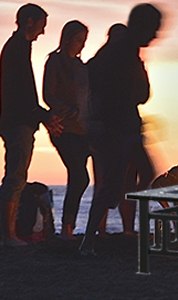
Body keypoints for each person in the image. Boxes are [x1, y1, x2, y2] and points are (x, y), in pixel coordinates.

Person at [80, 3, 161, 255]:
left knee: (145, 172)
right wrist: (99, 120)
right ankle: (88, 241)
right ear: (141, 26)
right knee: (112, 185)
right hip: (115, 128)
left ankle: (116, 206)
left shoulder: (130, 52)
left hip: (126, 125)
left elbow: (142, 93)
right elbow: (101, 82)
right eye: (154, 29)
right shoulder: (119, 50)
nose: (156, 35)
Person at [0, 3, 63, 247]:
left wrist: (41, 116)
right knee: (16, 176)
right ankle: (9, 236)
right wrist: (43, 116)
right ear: (29, 22)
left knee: (16, 174)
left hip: (18, 120)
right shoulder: (16, 49)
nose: (43, 32)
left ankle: (10, 234)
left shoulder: (18, 48)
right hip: (17, 122)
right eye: (41, 25)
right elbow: (21, 94)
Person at [42, 20, 90, 240]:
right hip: (63, 127)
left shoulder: (81, 67)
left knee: (81, 176)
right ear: (68, 38)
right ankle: (67, 228)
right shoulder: (54, 62)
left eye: (84, 41)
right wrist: (69, 111)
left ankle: (70, 227)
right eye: (79, 40)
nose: (81, 45)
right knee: (79, 175)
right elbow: (48, 95)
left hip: (84, 129)